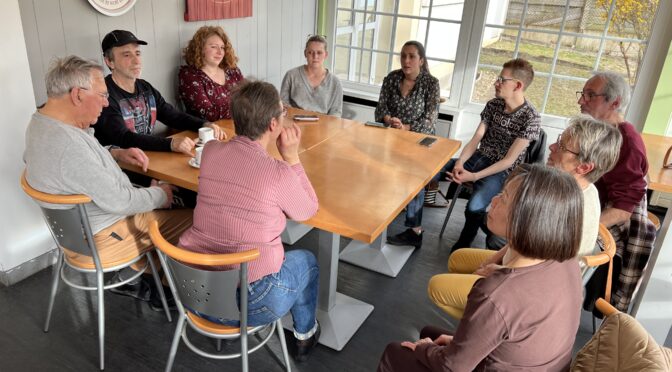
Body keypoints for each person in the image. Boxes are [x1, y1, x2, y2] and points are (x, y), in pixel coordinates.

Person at [23, 56, 193, 310]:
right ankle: (177, 292)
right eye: (102, 95)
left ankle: (152, 277)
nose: (106, 102)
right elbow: (121, 201)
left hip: (77, 235)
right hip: (106, 237)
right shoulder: (69, 146)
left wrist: (113, 152)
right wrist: (160, 194)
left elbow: (74, 163)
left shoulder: (40, 123)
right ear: (77, 95)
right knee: (197, 217)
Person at [377, 164, 583, 372]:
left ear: (527, 220)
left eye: (503, 198)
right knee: (429, 332)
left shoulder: (496, 293)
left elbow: (453, 367)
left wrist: (425, 350)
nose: (493, 200)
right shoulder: (568, 262)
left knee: (395, 352)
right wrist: (454, 345)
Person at [178, 80, 320, 362]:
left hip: (194, 292)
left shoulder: (210, 152)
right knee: (307, 261)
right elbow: (307, 211)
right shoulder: (276, 172)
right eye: (281, 112)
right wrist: (291, 157)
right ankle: (305, 336)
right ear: (272, 125)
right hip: (248, 303)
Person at [428, 116, 622, 319]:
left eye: (563, 147)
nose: (552, 147)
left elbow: (538, 272)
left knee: (437, 288)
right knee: (457, 258)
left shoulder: (561, 204)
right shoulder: (584, 189)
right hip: (521, 266)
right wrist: (494, 261)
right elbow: (521, 240)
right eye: (559, 140)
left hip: (533, 288)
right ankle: (486, 320)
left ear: (584, 167)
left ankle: (491, 326)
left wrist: (498, 272)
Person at [443, 58, 541, 252]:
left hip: (502, 171)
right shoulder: (493, 105)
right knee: (430, 171)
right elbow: (476, 138)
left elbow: (509, 160)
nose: (496, 83)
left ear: (518, 85)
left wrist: (474, 177)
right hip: (477, 159)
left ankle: (465, 241)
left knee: (473, 207)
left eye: (502, 80)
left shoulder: (531, 118)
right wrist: (460, 163)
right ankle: (414, 230)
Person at [578, 71, 655, 312]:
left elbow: (621, 211)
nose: (581, 101)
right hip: (588, 206)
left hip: (610, 226)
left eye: (590, 95)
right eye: (583, 94)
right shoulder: (599, 131)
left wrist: (577, 229)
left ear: (615, 102)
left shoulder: (628, 143)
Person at [95, 30, 225, 156]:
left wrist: (204, 124)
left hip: (150, 160)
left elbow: (173, 116)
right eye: (127, 55)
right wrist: (170, 144)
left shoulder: (145, 87)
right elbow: (123, 138)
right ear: (109, 62)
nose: (137, 61)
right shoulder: (104, 94)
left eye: (138, 53)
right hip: (122, 168)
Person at [375, 40, 440, 248]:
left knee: (415, 178)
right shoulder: (392, 78)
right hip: (392, 137)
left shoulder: (431, 83)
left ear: (421, 60)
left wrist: (406, 128)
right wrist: (390, 120)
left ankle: (415, 230)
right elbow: (380, 110)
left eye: (411, 56)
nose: (406, 60)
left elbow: (430, 121)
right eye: (403, 55)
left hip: (419, 141)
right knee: (376, 170)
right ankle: (377, 217)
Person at [179, 25, 244, 121]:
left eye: (222, 47)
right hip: (207, 132)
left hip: (239, 126)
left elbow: (249, 97)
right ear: (200, 49)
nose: (220, 52)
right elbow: (208, 114)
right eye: (214, 47)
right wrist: (244, 108)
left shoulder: (232, 70)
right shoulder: (190, 75)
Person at [280, 35, 343, 117]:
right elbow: (283, 104)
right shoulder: (291, 75)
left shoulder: (335, 82)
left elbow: (336, 112)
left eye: (319, 53)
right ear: (305, 53)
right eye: (310, 52)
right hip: (294, 123)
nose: (315, 56)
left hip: (323, 126)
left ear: (326, 55)